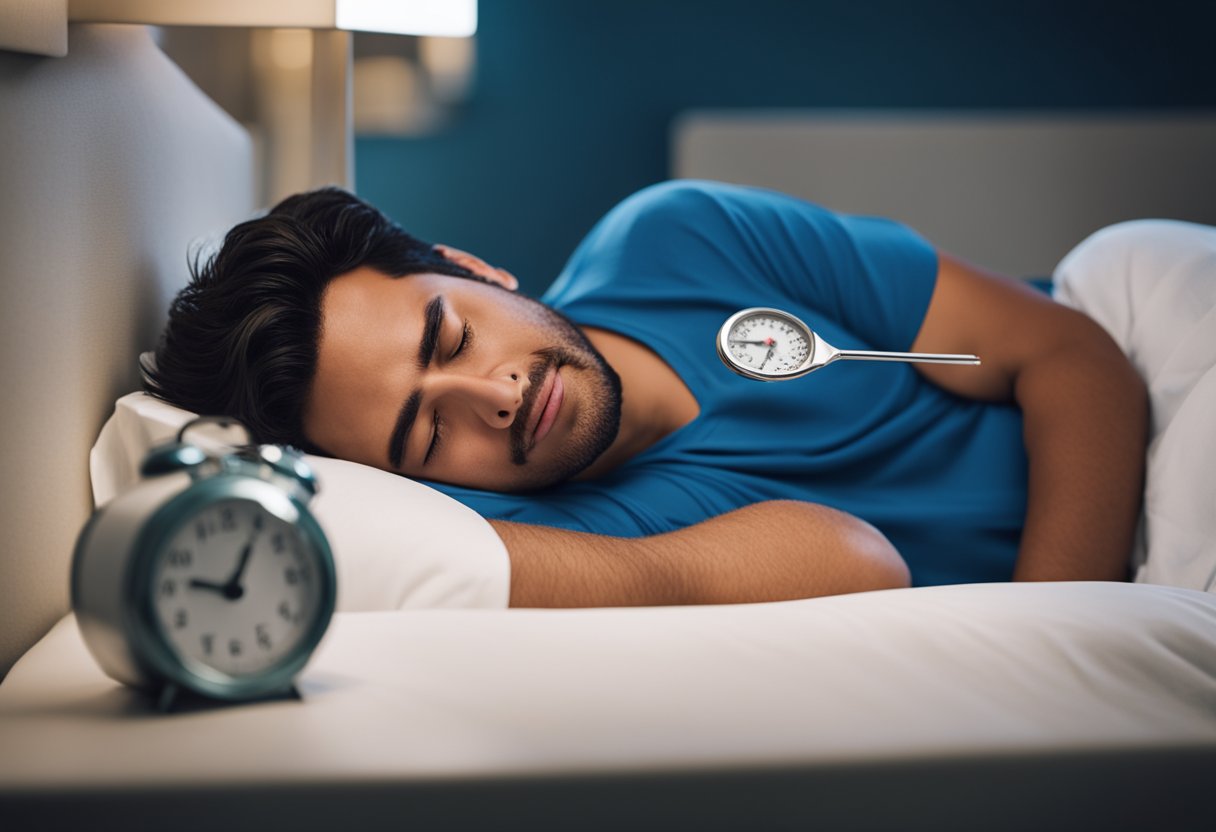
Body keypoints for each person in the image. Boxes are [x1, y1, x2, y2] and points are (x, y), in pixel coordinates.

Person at [146, 181, 1148, 606]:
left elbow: (1070, 356)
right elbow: (859, 566)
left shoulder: (681, 235)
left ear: (473, 267)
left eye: (447, 336)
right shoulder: (535, 532)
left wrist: (1069, 623)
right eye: (422, 434)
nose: (487, 395)